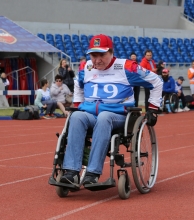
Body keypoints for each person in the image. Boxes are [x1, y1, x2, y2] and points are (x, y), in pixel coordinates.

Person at [60, 34, 163, 187]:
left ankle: (92, 173)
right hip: (90, 114)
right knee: (76, 117)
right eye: (94, 55)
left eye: (102, 55)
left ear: (111, 52)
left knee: (104, 117)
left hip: (118, 116)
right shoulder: (86, 67)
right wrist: (77, 105)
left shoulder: (127, 67)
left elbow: (156, 81)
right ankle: (71, 172)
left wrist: (153, 108)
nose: (97, 60)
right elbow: (77, 84)